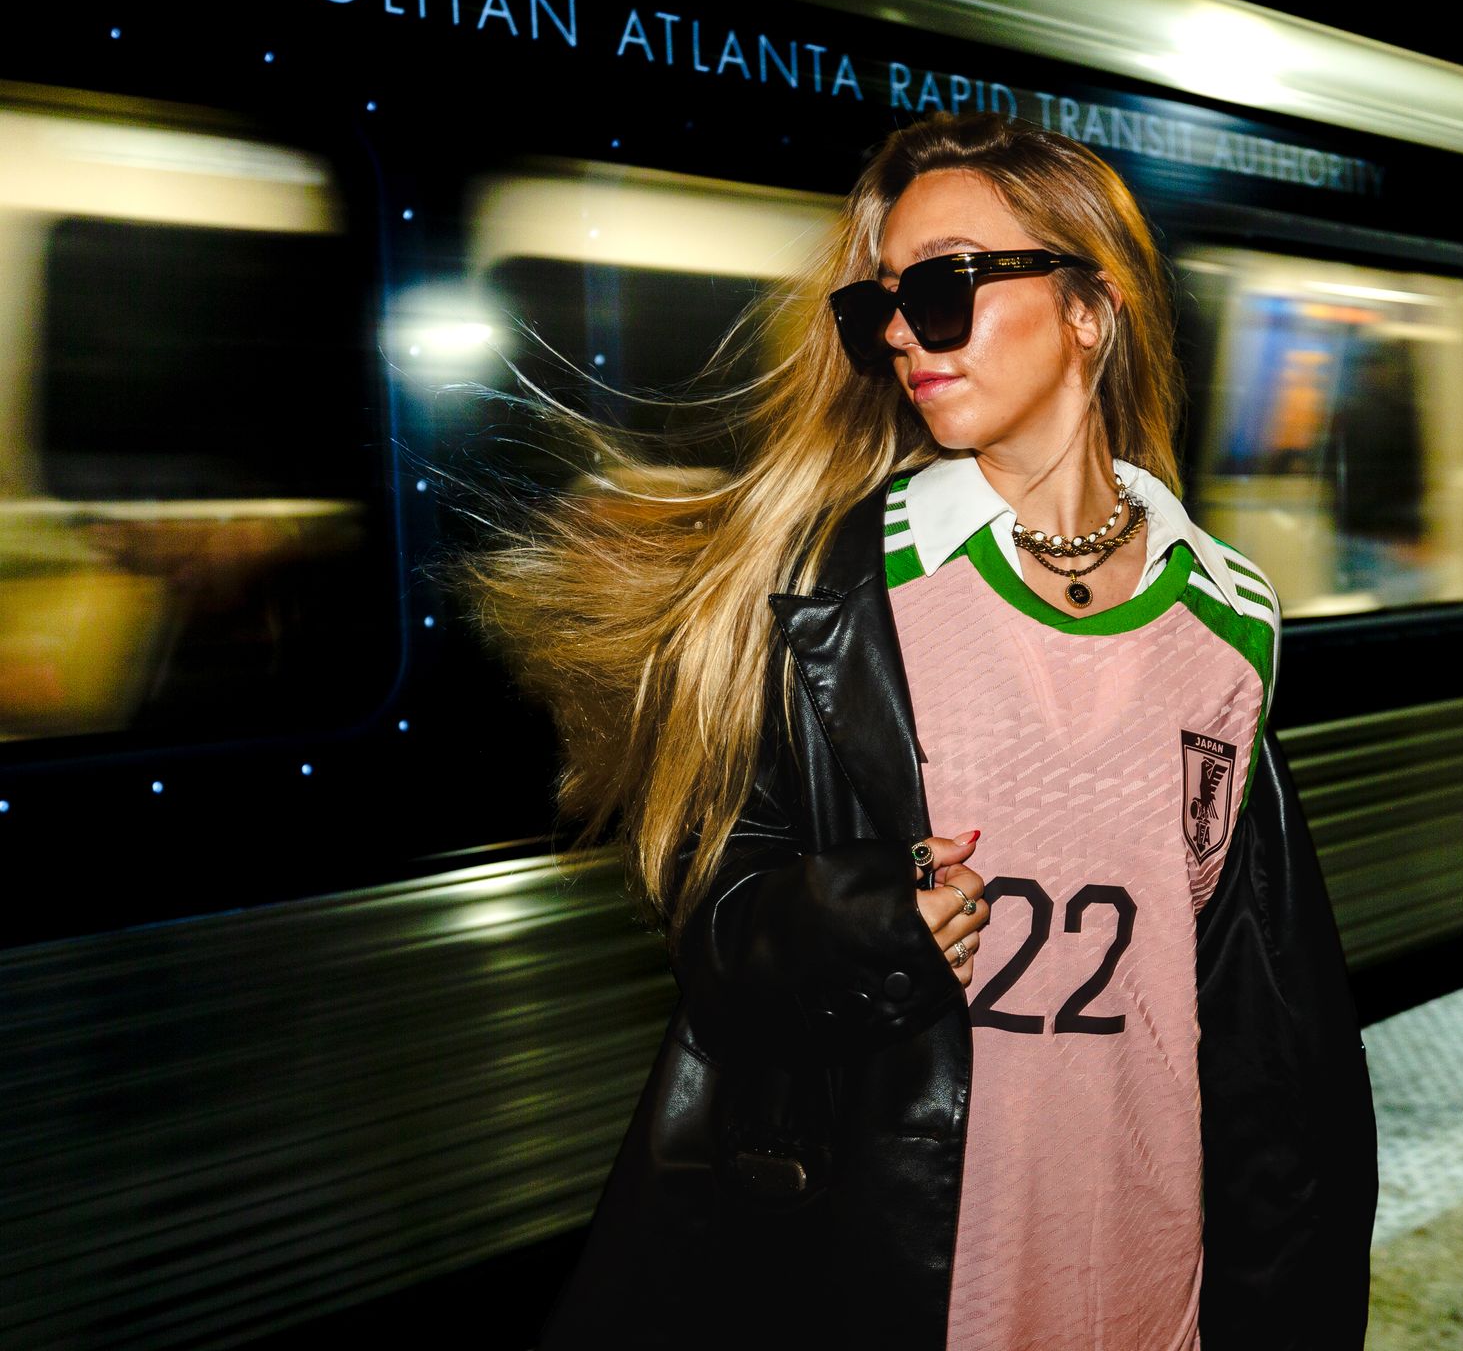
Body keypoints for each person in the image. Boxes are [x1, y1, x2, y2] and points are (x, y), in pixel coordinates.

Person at [449, 111, 1377, 1349]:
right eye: (879, 302)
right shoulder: (830, 595)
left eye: (942, 287)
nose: (897, 329)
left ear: (1089, 309)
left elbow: (1270, 1028)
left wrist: (1290, 1295)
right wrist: (860, 921)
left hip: (1154, 1262)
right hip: (915, 1256)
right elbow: (717, 930)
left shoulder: (1229, 617)